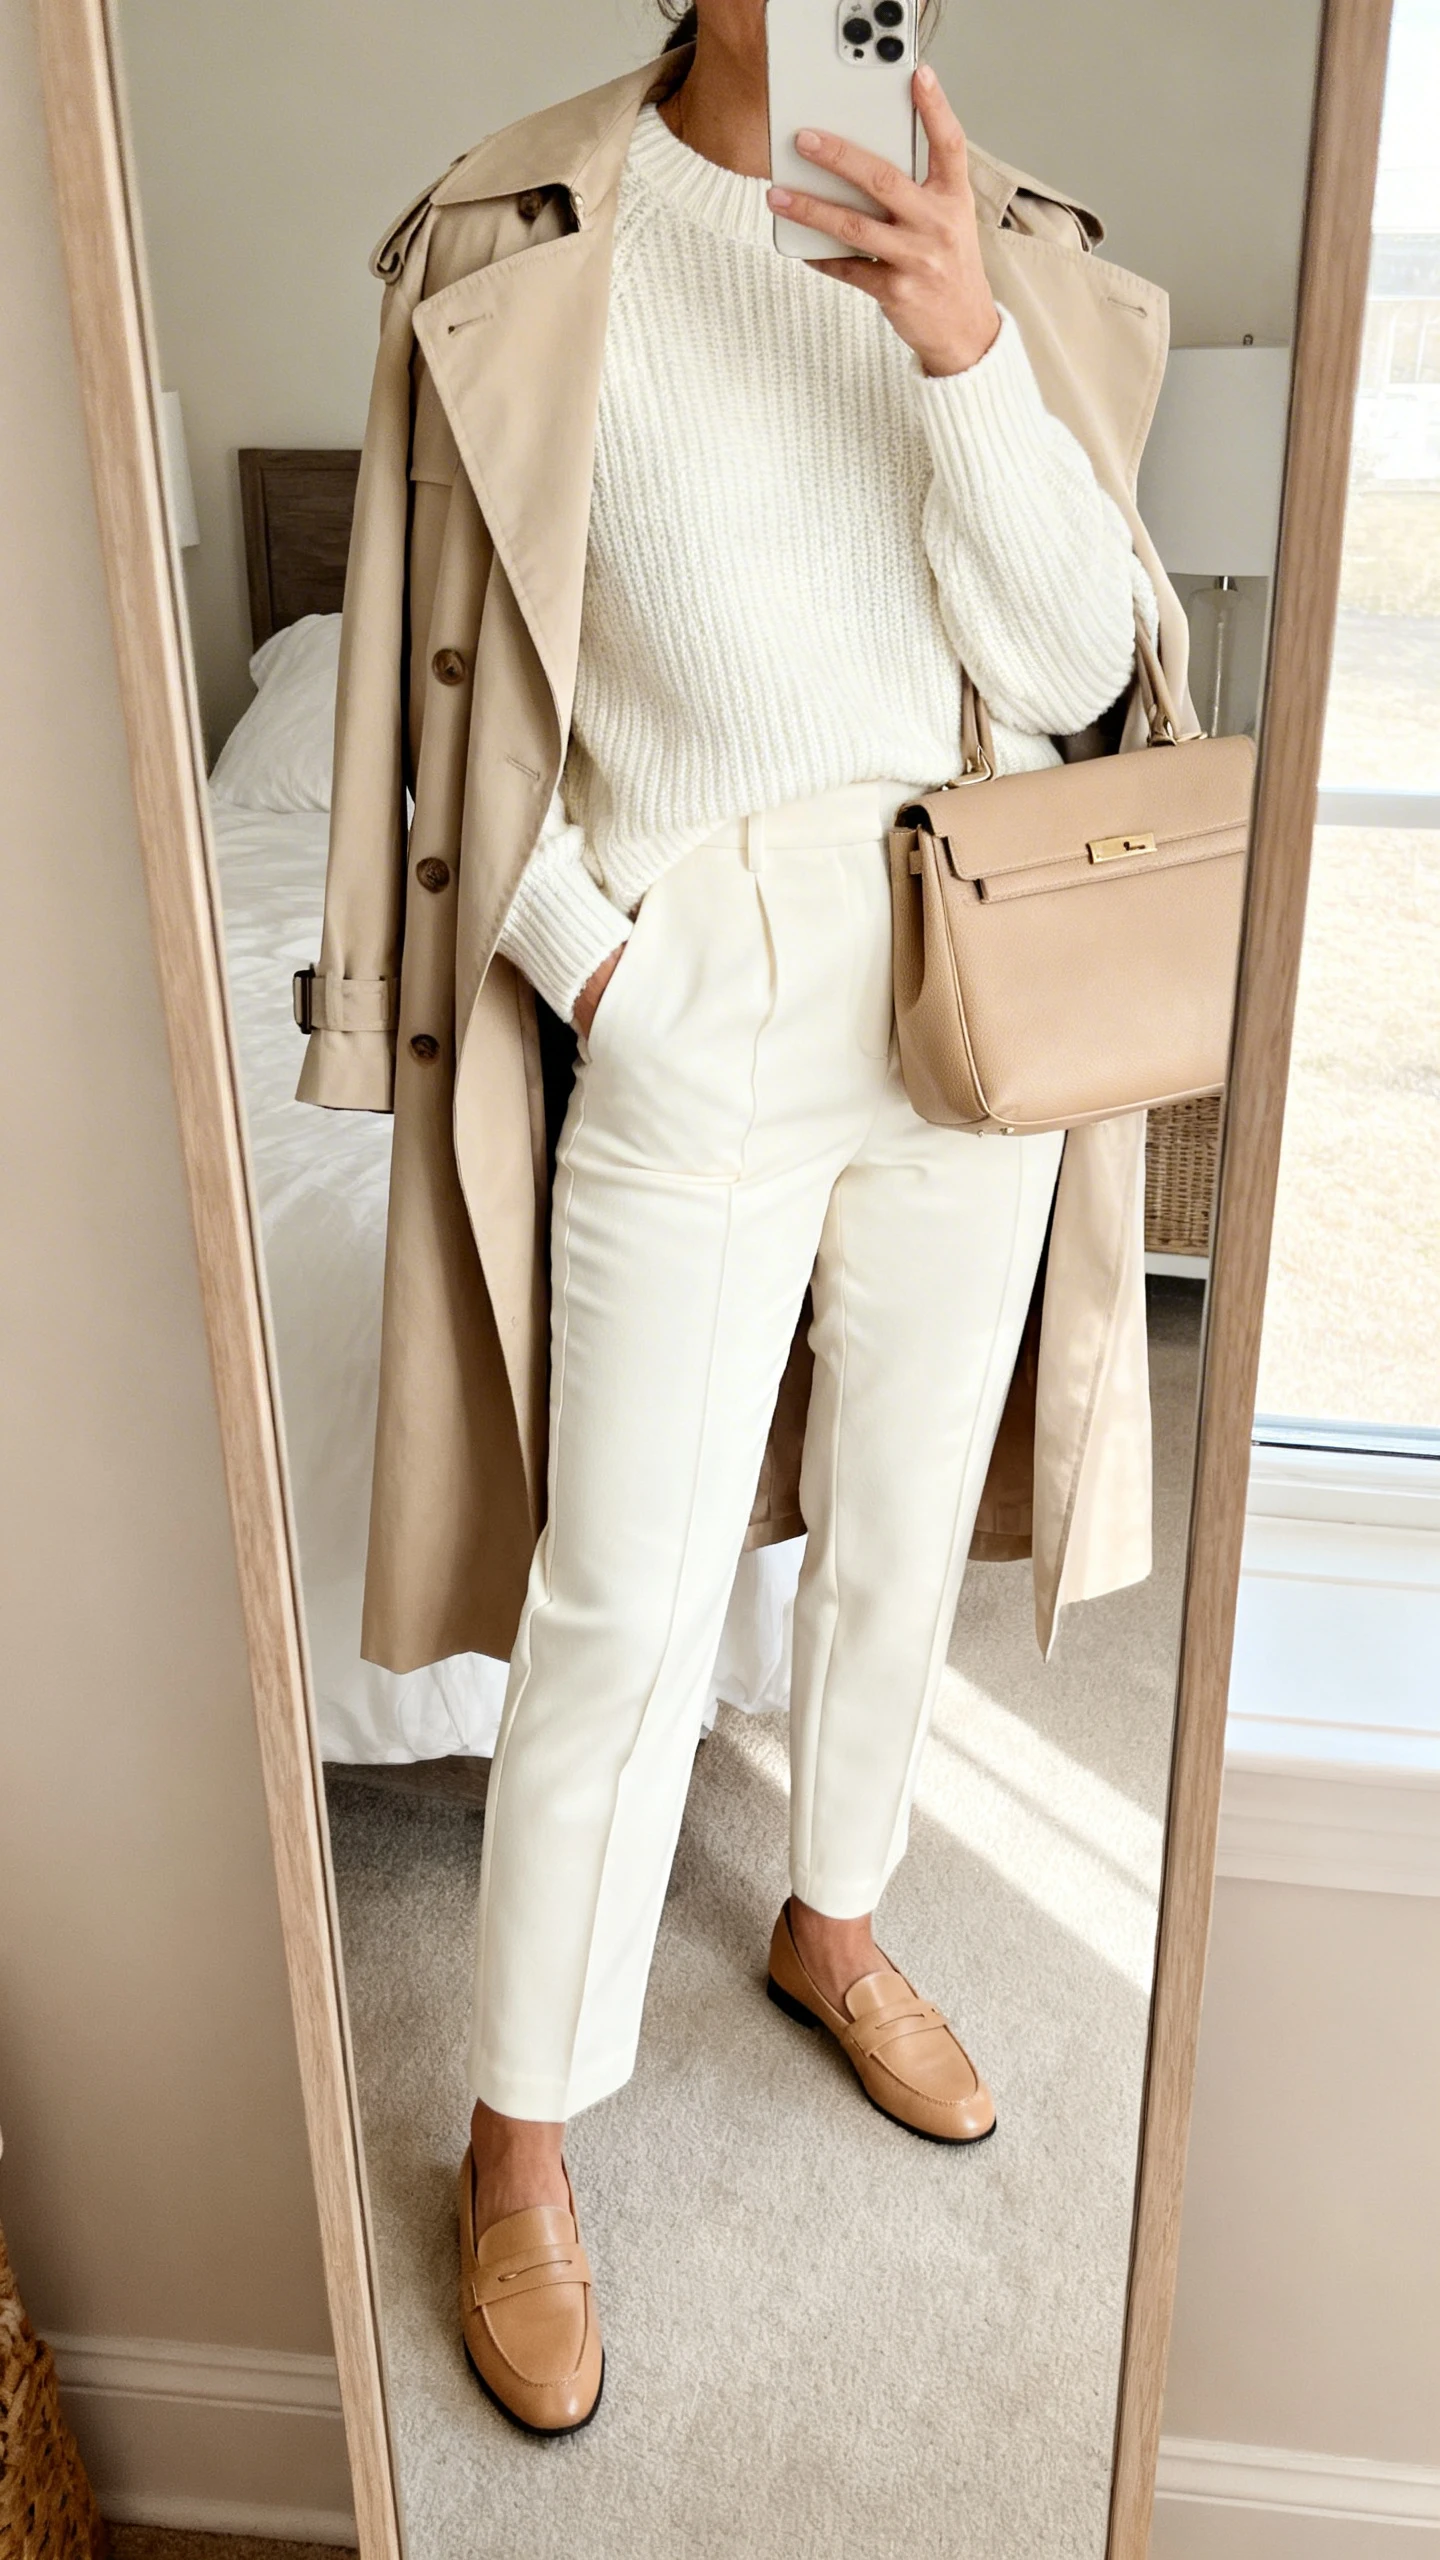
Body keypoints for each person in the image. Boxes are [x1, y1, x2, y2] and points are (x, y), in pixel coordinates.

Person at [302, 0, 1171, 2438]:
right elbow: (437, 703)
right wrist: (604, 960)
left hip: (960, 975)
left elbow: (1075, 666)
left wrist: (963, 350)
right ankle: (519, 2126)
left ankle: (836, 1913)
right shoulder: (516, 230)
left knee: (900, 1523)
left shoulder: (989, 239)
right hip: (694, 986)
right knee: (624, 1588)